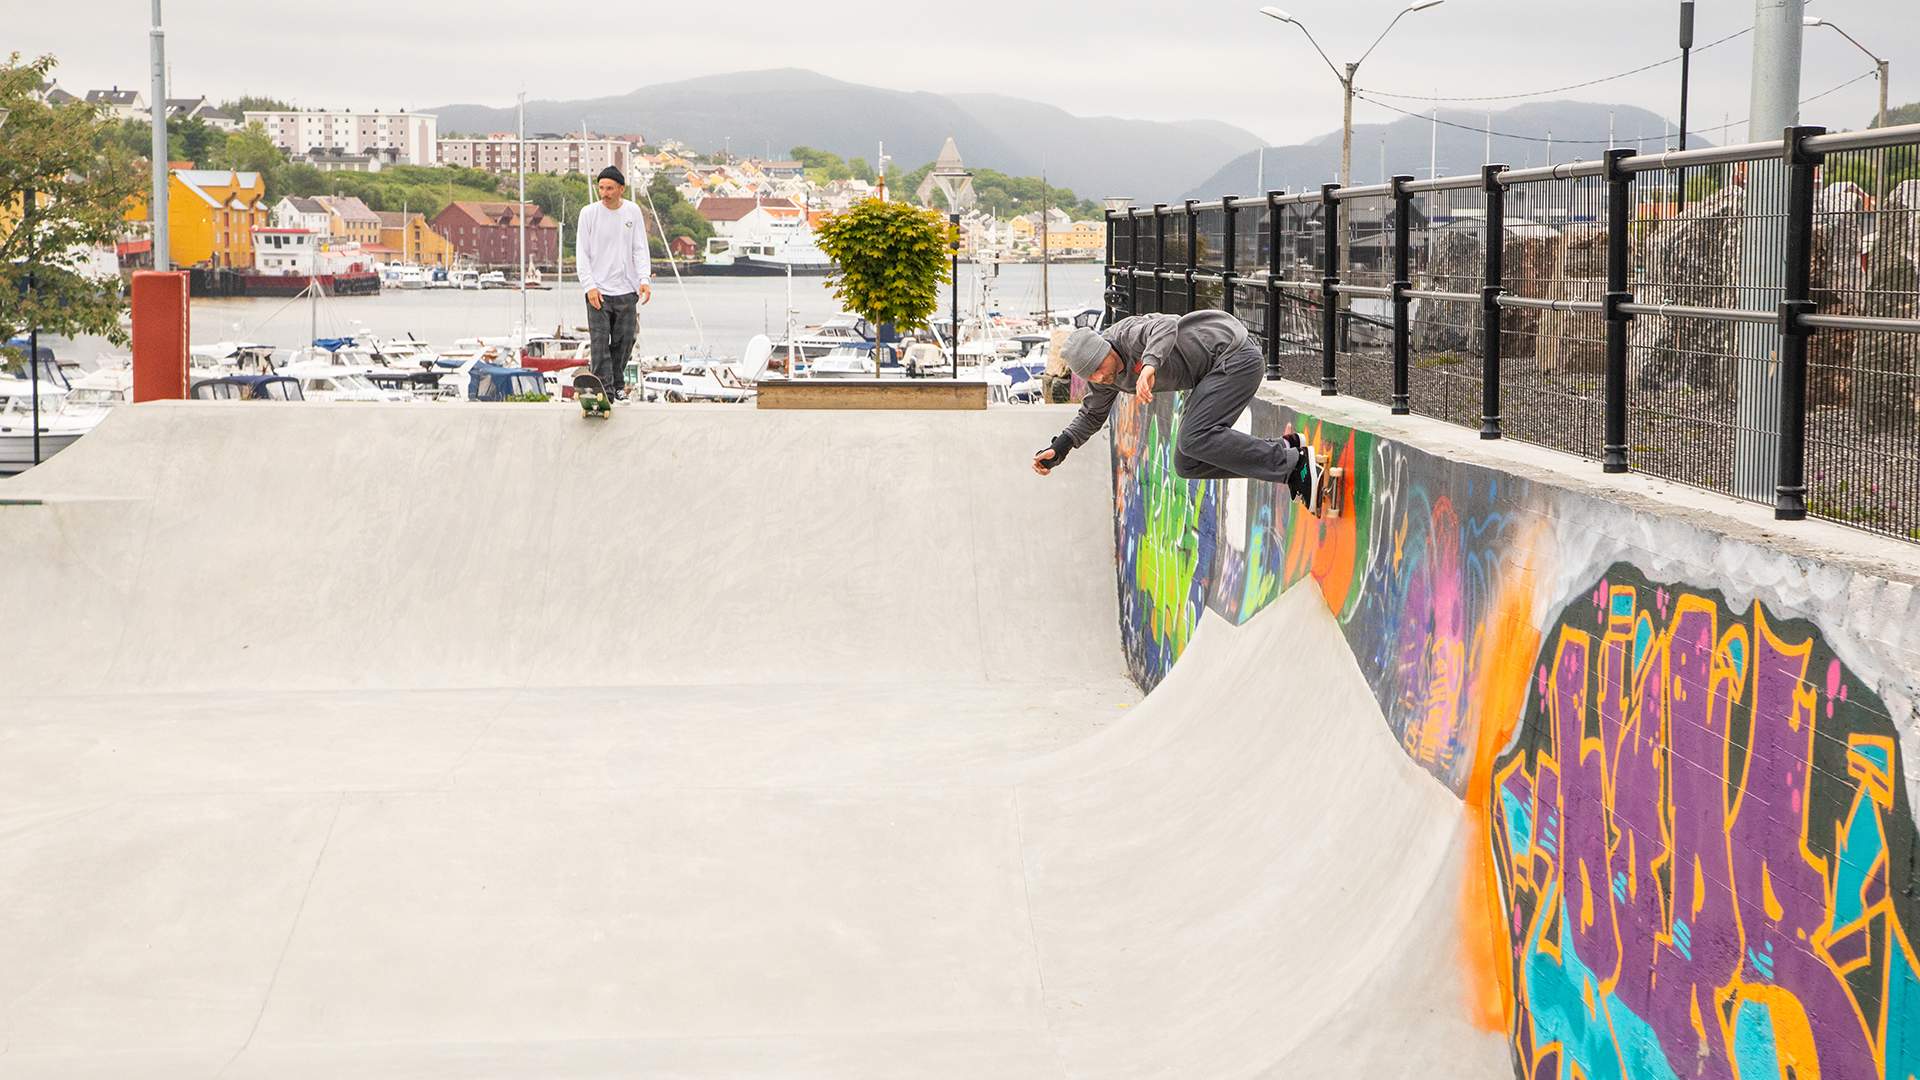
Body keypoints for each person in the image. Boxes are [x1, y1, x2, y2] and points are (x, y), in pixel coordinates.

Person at [1031, 310, 1325, 510]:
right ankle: (1286, 449)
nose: (1100, 378)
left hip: (1235, 357)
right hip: (1211, 375)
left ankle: (1295, 466)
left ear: (1105, 349)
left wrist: (1149, 364)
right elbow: (1092, 415)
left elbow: (1166, 324)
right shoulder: (1105, 381)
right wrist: (1060, 448)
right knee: (1188, 464)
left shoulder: (1128, 335)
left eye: (1099, 369)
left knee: (1194, 438)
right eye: (1091, 376)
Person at [576, 166, 653, 399]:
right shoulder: (588, 213)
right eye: (601, 188)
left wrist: (644, 279)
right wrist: (589, 286)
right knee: (599, 344)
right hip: (597, 290)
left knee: (625, 340)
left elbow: (640, 248)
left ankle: (617, 384)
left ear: (621, 189)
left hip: (626, 290)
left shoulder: (633, 211)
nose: (604, 193)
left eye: (609, 188)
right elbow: (582, 252)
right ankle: (606, 392)